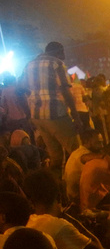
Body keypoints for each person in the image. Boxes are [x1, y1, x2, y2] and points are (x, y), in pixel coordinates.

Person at [22, 42, 79, 171]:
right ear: (59, 51)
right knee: (76, 151)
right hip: (56, 115)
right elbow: (65, 91)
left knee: (55, 156)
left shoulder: (29, 65)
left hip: (37, 116)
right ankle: (77, 181)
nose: (64, 55)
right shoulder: (57, 64)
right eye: (63, 52)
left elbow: (21, 88)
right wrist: (76, 117)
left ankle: (55, 180)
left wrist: (29, 114)